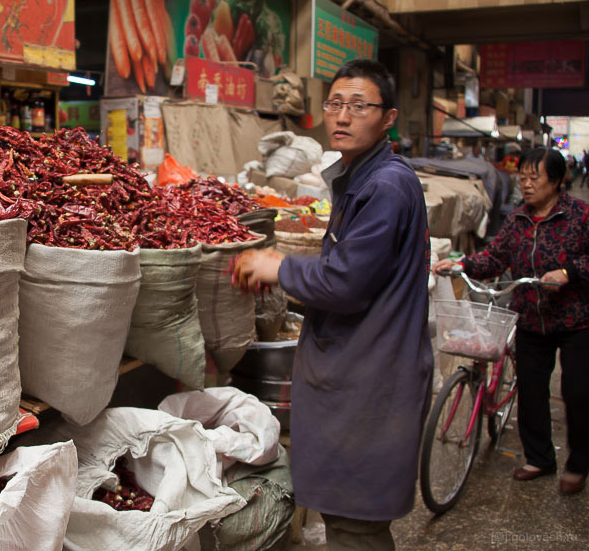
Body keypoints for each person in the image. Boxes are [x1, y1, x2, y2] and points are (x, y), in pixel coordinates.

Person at [232, 59, 431, 550]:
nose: (342, 117)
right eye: (335, 104)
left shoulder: (384, 186)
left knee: (354, 525)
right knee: (347, 517)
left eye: (359, 106)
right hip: (359, 370)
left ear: (388, 118)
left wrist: (279, 265)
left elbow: (346, 282)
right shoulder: (361, 177)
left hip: (371, 379)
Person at [434, 147, 588, 496]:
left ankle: (579, 462)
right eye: (523, 177)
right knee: (532, 392)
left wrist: (568, 272)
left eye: (535, 177)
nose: (527, 184)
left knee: (577, 393)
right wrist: (464, 266)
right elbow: (496, 256)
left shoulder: (579, 216)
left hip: (575, 320)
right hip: (532, 318)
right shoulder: (519, 219)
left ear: (557, 180)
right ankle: (540, 458)